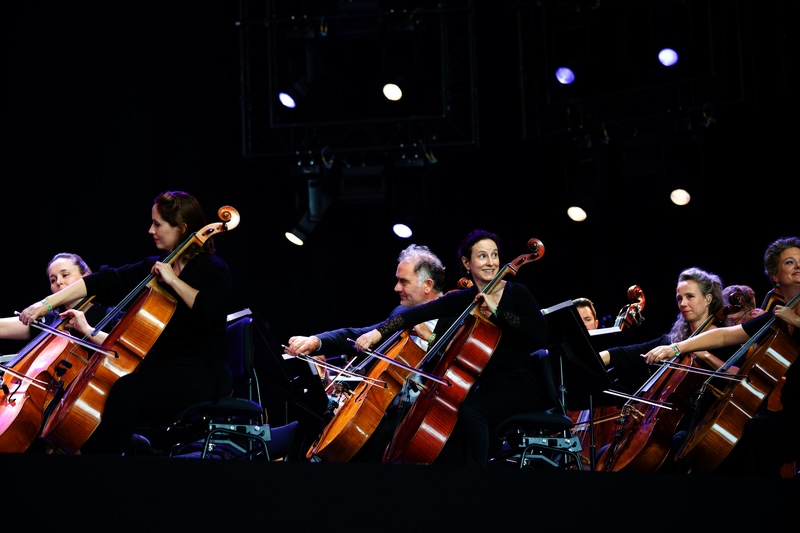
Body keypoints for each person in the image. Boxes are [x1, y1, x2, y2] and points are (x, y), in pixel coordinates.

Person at [19, 190, 235, 455]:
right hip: (160, 368)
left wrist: (174, 281)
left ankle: (107, 475)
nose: (150, 230)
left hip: (200, 373)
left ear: (181, 228)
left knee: (126, 393)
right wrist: (46, 304)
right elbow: (100, 281)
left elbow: (211, 314)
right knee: (113, 396)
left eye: (158, 224)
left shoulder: (213, 269)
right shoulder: (155, 267)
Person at [353, 229, 550, 466]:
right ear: (467, 262)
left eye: (494, 255)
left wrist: (498, 312)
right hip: (482, 388)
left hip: (520, 387)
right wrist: (378, 333)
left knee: (471, 411)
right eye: (483, 256)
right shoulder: (463, 299)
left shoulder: (516, 293)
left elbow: (540, 332)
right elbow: (414, 315)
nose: (491, 262)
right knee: (451, 426)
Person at [644, 237, 800, 478]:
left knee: (760, 430)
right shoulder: (776, 317)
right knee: (749, 431)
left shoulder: (788, 316)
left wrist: (797, 321)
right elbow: (726, 335)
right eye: (790, 262)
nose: (799, 266)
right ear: (775, 275)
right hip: (790, 413)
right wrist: (678, 348)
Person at [284, 243, 453, 462]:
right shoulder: (402, 313)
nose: (396, 288)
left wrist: (429, 338)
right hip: (385, 406)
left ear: (428, 285)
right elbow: (357, 335)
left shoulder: (454, 317)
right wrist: (316, 342)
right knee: (311, 428)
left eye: (404, 282)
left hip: (426, 417)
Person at [0, 253, 110, 346]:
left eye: (65, 275)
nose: (58, 282)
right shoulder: (50, 320)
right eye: (53, 280)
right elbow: (2, 327)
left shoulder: (108, 313)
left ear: (87, 277)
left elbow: (121, 349)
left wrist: (88, 330)